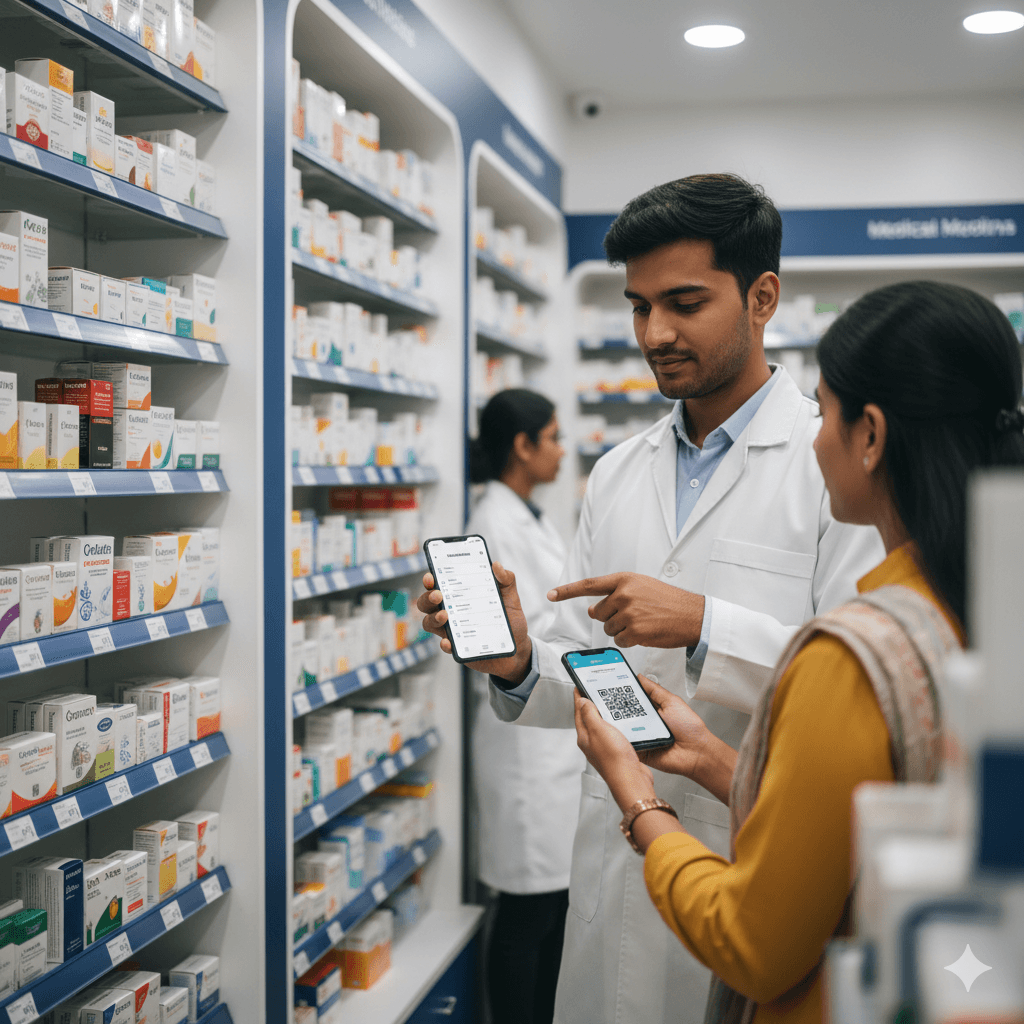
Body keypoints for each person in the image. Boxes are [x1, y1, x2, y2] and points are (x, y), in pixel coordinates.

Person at [418, 173, 884, 1024]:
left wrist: (705, 624)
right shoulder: (617, 473)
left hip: (749, 854)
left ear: (762, 297)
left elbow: (864, 683)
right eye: (638, 307)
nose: (655, 334)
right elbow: (596, 676)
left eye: (683, 302)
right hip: (616, 855)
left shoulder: (829, 465)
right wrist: (522, 659)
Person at [571, 280, 1024, 1024]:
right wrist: (720, 763)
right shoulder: (979, 608)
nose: (816, 436)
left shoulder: (851, 655)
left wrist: (640, 803)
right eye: (637, 305)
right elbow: (876, 809)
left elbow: (755, 947)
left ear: (870, 436)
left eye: (829, 410)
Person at [465, 389, 583, 1024]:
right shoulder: (495, 522)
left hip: (552, 738)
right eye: (554, 438)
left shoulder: (528, 514)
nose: (562, 451)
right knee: (525, 912)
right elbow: (506, 641)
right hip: (524, 750)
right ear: (523, 446)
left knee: (555, 907)